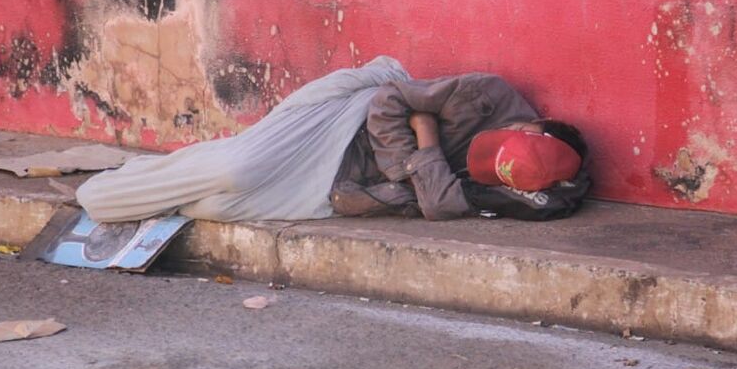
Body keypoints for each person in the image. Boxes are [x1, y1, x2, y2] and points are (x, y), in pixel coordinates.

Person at [76, 56, 590, 223]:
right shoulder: (487, 96)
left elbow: (440, 206)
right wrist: (412, 164)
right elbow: (392, 100)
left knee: (211, 205)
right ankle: (95, 197)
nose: (488, 159)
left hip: (350, 180)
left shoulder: (525, 181)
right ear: (529, 129)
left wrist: (425, 138)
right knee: (238, 171)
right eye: (496, 148)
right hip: (342, 119)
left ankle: (146, 179)